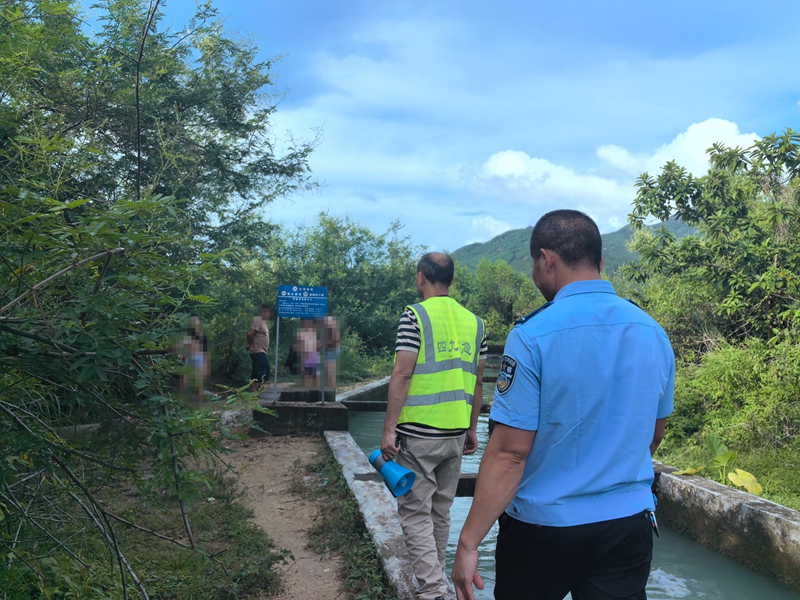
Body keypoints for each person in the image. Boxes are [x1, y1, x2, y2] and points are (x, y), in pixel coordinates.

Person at [452, 210, 675, 600]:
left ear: (547, 259)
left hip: (543, 531)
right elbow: (652, 435)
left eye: (534, 265)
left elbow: (509, 454)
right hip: (627, 526)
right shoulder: (652, 331)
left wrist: (469, 542)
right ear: (601, 262)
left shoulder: (533, 334)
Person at [381, 252, 487, 600]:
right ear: (451, 281)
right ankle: (434, 580)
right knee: (440, 511)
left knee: (414, 512)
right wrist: (472, 429)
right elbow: (477, 384)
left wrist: (388, 430)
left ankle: (431, 591)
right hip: (455, 435)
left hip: (419, 434)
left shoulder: (415, 316)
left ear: (420, 277)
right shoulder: (476, 323)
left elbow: (403, 372)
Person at [176, 315, 208, 406]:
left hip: (199, 361)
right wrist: (180, 354)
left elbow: (205, 353)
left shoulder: (202, 337)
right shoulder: (187, 337)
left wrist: (205, 367)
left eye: (196, 321)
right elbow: (182, 350)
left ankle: (199, 408)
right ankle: (179, 406)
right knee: (184, 384)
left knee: (198, 387)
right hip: (189, 361)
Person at [246, 305, 271, 392]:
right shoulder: (257, 319)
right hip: (257, 349)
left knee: (256, 371)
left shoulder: (264, 322)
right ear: (261, 312)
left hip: (263, 350)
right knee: (265, 367)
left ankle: (252, 390)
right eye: (265, 311)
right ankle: (261, 389)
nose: (267, 313)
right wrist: (249, 343)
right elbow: (250, 333)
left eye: (268, 312)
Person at [297, 318, 319, 388]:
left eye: (308, 321)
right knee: (306, 376)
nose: (306, 323)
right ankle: (305, 392)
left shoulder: (313, 332)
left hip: (314, 357)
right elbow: (299, 346)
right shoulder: (300, 333)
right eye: (304, 322)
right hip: (305, 358)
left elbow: (317, 345)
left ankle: (316, 394)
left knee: (315, 376)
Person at [322, 315, 341, 389]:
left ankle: (332, 391)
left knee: (331, 374)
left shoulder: (334, 330)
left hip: (332, 352)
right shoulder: (326, 330)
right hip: (328, 352)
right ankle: (330, 390)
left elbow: (334, 342)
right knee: (328, 374)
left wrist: (324, 344)